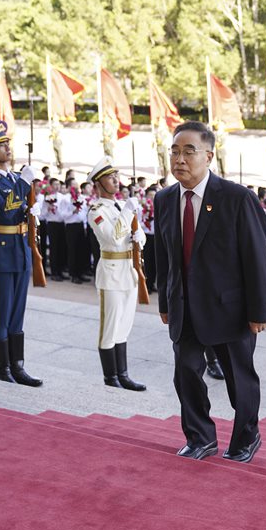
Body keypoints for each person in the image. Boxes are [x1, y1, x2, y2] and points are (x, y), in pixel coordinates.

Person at [154, 121, 266, 463]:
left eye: (189, 151)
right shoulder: (164, 200)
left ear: (209, 155)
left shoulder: (237, 198)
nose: (179, 159)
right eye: (174, 151)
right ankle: (200, 437)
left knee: (239, 379)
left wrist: (259, 311)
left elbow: (256, 257)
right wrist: (165, 302)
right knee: (186, 373)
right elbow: (164, 257)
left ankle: (246, 437)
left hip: (230, 309)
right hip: (184, 307)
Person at [0, 120, 43, 387]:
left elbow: (20, 210)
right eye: (1, 145)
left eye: (7, 143)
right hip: (2, 251)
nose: (7, 148)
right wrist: (25, 186)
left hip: (22, 250)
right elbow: (2, 210)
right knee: (1, 312)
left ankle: (19, 366)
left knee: (18, 312)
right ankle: (3, 368)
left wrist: (33, 213)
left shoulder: (16, 179)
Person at [86, 157, 147, 391]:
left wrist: (140, 237)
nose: (116, 181)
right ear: (99, 184)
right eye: (110, 178)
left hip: (129, 271)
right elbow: (112, 238)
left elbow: (135, 232)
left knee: (124, 326)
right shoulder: (97, 211)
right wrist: (128, 212)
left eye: (116, 176)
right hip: (111, 273)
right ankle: (110, 378)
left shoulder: (121, 206)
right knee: (109, 327)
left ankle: (123, 375)